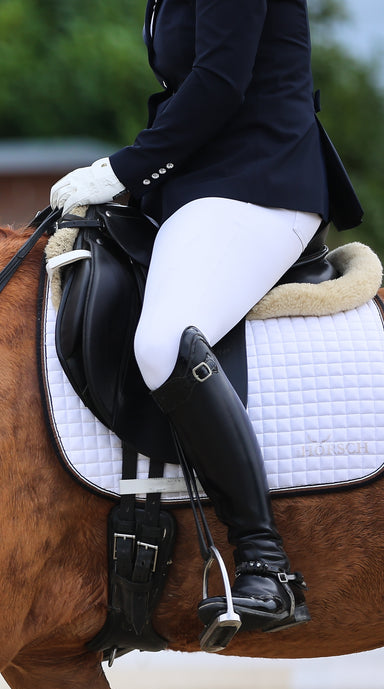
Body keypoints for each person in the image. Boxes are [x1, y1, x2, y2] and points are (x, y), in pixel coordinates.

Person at [49, 0, 363, 648]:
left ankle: (265, 562)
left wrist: (121, 169)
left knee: (164, 340)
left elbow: (220, 84)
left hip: (258, 183)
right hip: (199, 186)